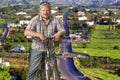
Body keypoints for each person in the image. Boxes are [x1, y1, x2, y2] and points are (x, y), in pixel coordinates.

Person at [24, 1, 66, 80]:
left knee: (54, 69)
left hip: (50, 48)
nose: (45, 12)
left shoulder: (55, 20)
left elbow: (63, 30)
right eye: (43, 10)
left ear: (50, 11)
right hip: (37, 48)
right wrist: (39, 34)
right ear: (40, 11)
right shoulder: (35, 20)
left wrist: (59, 33)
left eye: (47, 10)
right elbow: (26, 32)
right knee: (33, 70)